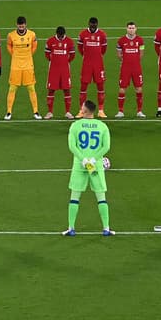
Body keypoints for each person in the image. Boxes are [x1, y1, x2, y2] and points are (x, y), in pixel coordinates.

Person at [64, 101, 113, 236]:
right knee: (101, 197)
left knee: (74, 197)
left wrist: (84, 159)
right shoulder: (102, 126)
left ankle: (71, 228)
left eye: (81, 108)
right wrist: (93, 159)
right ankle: (106, 228)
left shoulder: (75, 125)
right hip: (96, 166)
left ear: (85, 111)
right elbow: (106, 147)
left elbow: (72, 146)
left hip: (80, 166)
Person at [5, 16, 41, 120]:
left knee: (31, 88)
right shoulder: (11, 35)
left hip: (28, 65)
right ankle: (8, 112)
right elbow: (9, 46)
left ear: (25, 24)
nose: (21, 26)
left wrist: (28, 55)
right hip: (15, 66)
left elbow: (34, 46)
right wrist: (15, 55)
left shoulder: (32, 34)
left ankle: (36, 111)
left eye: (23, 24)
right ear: (17, 25)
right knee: (12, 88)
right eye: (19, 25)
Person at [77, 17, 108, 117]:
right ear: (89, 24)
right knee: (83, 87)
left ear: (97, 24)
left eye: (95, 24)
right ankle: (81, 111)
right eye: (91, 24)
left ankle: (101, 110)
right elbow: (80, 48)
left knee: (100, 86)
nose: (93, 26)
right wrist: (87, 57)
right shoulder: (83, 34)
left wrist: (96, 57)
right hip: (87, 64)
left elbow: (103, 49)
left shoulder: (102, 35)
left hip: (98, 64)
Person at [114, 20, 146, 118]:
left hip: (136, 68)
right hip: (125, 68)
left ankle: (139, 111)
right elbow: (119, 54)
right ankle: (120, 111)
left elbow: (141, 53)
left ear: (136, 29)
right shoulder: (121, 41)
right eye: (129, 28)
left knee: (139, 89)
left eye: (133, 28)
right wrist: (125, 61)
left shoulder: (140, 40)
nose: (131, 30)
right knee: (122, 89)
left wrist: (135, 61)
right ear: (126, 29)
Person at [44, 26, 76, 119]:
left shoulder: (69, 41)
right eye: (59, 35)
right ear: (56, 34)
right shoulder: (50, 41)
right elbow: (47, 54)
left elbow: (72, 55)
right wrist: (53, 61)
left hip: (65, 69)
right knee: (51, 90)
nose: (61, 37)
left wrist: (65, 61)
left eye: (62, 36)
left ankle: (68, 112)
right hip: (53, 69)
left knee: (67, 89)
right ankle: (49, 112)